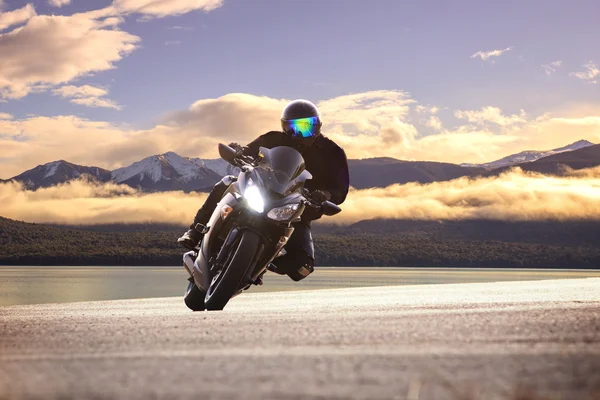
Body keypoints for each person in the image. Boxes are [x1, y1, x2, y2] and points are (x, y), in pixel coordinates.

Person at [177, 99, 350, 281]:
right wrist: (239, 152)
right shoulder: (272, 139)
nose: (299, 132)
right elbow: (249, 152)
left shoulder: (333, 152)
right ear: (284, 126)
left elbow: (340, 188)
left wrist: (325, 196)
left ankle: (259, 264)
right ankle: (194, 232)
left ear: (318, 125)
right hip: (260, 192)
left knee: (303, 267)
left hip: (296, 209)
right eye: (293, 127)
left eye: (307, 126)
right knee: (227, 182)